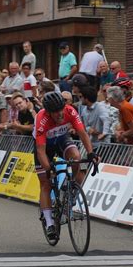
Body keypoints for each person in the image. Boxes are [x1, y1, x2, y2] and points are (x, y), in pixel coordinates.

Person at [34, 91, 97, 239]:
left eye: (61, 109)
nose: (60, 114)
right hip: (45, 147)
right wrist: (48, 169)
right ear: (48, 113)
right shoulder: (41, 119)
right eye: (55, 112)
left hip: (62, 139)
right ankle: (49, 223)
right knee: (45, 183)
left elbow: (82, 134)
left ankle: (69, 188)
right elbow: (41, 151)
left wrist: (91, 153)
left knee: (76, 157)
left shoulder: (70, 111)